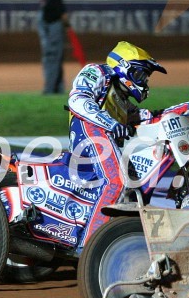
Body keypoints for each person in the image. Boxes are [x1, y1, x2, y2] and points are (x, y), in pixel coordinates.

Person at [67, 41, 167, 253]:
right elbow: (77, 100)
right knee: (117, 182)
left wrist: (183, 109)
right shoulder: (97, 72)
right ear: (124, 67)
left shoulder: (121, 99)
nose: (145, 81)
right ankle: (88, 248)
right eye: (141, 74)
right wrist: (111, 123)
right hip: (88, 133)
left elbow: (145, 117)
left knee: (135, 185)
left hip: (104, 140)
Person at [37, 0, 68, 94]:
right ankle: (58, 88)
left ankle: (50, 89)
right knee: (54, 60)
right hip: (50, 31)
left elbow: (63, 15)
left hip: (53, 32)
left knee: (51, 60)